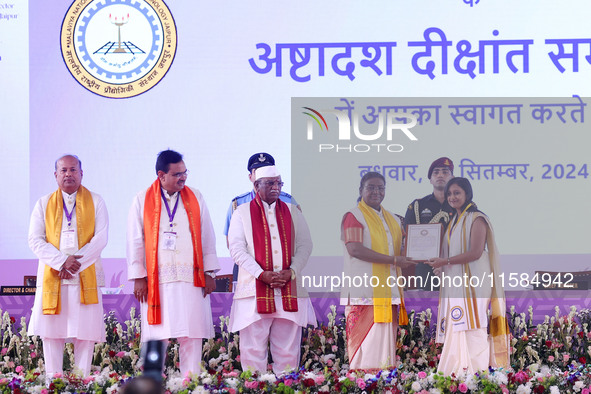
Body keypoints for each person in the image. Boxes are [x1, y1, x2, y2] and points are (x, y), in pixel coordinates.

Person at [127, 150, 220, 377]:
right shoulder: (142, 199)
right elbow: (135, 239)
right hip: (157, 282)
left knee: (192, 334)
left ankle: (191, 382)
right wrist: (139, 276)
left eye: (185, 172)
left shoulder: (196, 196)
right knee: (157, 336)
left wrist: (210, 272)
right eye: (177, 174)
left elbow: (207, 235)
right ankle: (151, 382)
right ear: (161, 175)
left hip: (191, 279)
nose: (183, 178)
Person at [227, 165, 315, 374]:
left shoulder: (293, 212)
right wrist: (261, 274)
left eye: (279, 183)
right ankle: (254, 387)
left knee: (287, 350)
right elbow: (236, 248)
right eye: (270, 183)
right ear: (256, 185)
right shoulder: (241, 212)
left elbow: (305, 245)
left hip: (289, 288)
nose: (276, 187)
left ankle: (286, 385)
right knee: (253, 349)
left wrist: (291, 271)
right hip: (253, 291)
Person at [28, 154, 108, 378]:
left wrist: (75, 263)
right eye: (63, 170)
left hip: (85, 274)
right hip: (54, 275)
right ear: (55, 175)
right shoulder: (43, 203)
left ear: (82, 173)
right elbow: (35, 239)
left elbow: (101, 238)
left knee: (85, 333)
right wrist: (62, 261)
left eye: (73, 170)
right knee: (52, 333)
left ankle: (82, 381)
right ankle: (54, 381)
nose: (68, 174)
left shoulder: (96, 201)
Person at [427, 177, 509, 376]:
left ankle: (476, 374)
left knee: (473, 327)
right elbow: (453, 255)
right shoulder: (454, 220)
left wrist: (445, 262)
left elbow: (475, 252)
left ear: (467, 194)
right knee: (458, 326)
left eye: (457, 193)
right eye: (449, 194)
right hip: (457, 283)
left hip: (474, 284)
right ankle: (457, 373)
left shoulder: (476, 218)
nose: (452, 197)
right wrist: (442, 267)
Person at [341, 172, 414, 370]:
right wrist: (393, 260)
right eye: (371, 187)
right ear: (361, 190)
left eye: (381, 188)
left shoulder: (393, 219)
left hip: (388, 293)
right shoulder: (353, 216)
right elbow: (354, 249)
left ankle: (383, 386)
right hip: (363, 294)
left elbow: (403, 252)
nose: (376, 192)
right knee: (366, 346)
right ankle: (364, 386)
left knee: (385, 348)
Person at [223, 153, 299, 281]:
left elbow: (298, 239)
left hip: (284, 269)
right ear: (251, 177)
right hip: (248, 270)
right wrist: (258, 269)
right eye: (257, 171)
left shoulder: (288, 202)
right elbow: (231, 242)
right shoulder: (239, 203)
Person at [404, 157, 454, 290]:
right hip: (426, 268)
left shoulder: (460, 205)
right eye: (436, 172)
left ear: (452, 177)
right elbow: (408, 238)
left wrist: (445, 262)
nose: (440, 175)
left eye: (445, 172)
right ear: (430, 179)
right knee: (428, 309)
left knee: (457, 308)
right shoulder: (418, 206)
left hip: (455, 266)